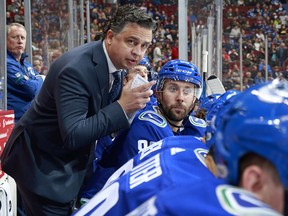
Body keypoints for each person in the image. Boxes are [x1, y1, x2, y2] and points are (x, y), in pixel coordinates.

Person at [1, 5, 157, 215]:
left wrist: (127, 107)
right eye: (131, 42)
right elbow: (74, 134)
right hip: (42, 170)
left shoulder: (116, 64)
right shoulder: (76, 70)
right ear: (110, 37)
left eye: (145, 45)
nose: (138, 52)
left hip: (65, 164)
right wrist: (122, 106)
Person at [74, 79, 288, 215]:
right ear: (255, 181)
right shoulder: (193, 201)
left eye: (188, 90)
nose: (180, 97)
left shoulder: (183, 146)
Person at [79, 60, 204, 200]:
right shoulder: (147, 124)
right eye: (173, 89)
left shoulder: (195, 128)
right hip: (102, 202)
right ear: (158, 93)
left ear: (195, 97)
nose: (180, 97)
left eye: (187, 91)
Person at [6, 23, 44, 122]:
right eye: (15, 37)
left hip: (28, 121)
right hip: (13, 123)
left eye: (22, 38)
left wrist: (36, 82)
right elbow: (30, 90)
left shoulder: (26, 64)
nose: (20, 41)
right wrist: (40, 79)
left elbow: (43, 89)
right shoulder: (5, 63)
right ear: (5, 40)